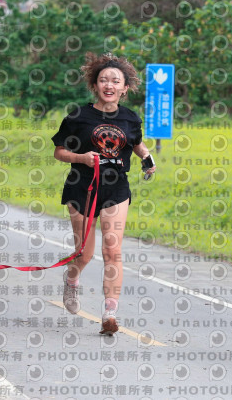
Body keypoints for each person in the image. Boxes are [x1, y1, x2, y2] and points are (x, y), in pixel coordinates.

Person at [52, 52, 156, 335]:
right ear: (94, 85)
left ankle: (110, 313)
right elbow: (59, 151)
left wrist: (147, 158)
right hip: (82, 186)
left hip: (116, 187)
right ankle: (71, 279)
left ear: (124, 88)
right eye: (103, 80)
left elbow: (135, 143)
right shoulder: (78, 116)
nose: (109, 85)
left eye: (115, 81)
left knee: (112, 250)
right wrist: (82, 158)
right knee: (84, 255)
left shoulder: (130, 118)